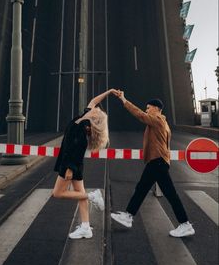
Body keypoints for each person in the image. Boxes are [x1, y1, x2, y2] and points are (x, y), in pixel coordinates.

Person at [111, 90, 195, 238]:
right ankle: (129, 216)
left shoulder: (157, 119)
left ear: (156, 108)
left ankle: (185, 224)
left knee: (156, 191)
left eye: (148, 107)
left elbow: (140, 115)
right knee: (147, 189)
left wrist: (124, 100)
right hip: (159, 162)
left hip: (157, 162)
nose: (147, 110)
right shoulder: (163, 122)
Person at [52, 89, 115, 239]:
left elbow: (75, 151)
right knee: (79, 195)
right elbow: (94, 100)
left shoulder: (82, 128)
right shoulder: (83, 117)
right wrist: (110, 92)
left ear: (95, 118)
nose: (97, 108)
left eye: (98, 111)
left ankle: (92, 196)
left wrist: (69, 169)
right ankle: (86, 227)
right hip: (72, 164)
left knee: (58, 193)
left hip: (70, 164)